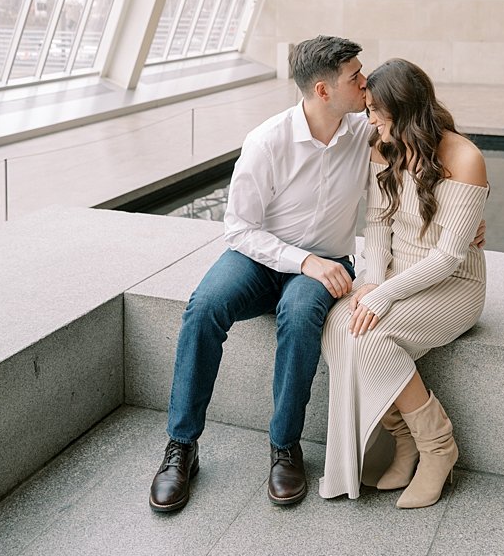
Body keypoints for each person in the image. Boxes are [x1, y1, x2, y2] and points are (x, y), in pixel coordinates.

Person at [150, 35, 370, 511]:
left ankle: (284, 446)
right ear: (323, 90)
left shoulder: (366, 130)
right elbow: (239, 229)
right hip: (261, 259)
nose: (364, 82)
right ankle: (181, 447)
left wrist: (466, 209)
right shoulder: (267, 140)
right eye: (355, 76)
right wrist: (301, 260)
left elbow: (429, 146)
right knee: (204, 306)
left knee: (300, 315)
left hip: (325, 264)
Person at [318, 58, 488, 508]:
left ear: (405, 109)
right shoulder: (383, 147)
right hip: (395, 276)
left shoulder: (465, 158)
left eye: (376, 110)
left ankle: (437, 448)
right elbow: (376, 227)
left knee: (371, 339)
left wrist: (385, 294)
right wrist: (371, 284)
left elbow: (450, 256)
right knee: (339, 324)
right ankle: (404, 440)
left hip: (453, 284)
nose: (369, 118)